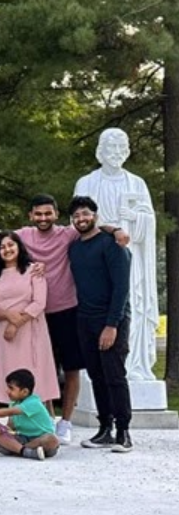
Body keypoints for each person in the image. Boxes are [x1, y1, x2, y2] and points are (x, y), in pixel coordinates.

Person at [17, 193, 128, 444]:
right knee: (45, 369)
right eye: (38, 214)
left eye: (48, 213)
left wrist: (117, 229)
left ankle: (72, 424)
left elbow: (97, 228)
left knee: (77, 370)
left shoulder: (72, 234)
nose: (43, 218)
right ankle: (49, 421)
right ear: (31, 216)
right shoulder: (27, 236)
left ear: (56, 215)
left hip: (72, 312)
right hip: (41, 313)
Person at [75, 128, 157, 383]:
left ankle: (133, 365)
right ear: (100, 151)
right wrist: (113, 228)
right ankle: (99, 365)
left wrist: (135, 218)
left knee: (130, 305)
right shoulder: (86, 183)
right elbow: (78, 221)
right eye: (111, 148)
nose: (116, 153)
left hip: (128, 257)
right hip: (95, 261)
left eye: (122, 148)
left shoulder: (137, 183)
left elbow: (149, 221)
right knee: (99, 306)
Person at [68, 196, 133, 452]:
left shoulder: (112, 244)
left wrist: (112, 324)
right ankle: (105, 428)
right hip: (85, 319)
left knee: (115, 375)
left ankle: (124, 431)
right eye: (76, 216)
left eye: (85, 214)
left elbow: (121, 288)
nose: (81, 219)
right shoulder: (74, 247)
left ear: (95, 215)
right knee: (96, 376)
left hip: (112, 320)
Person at [0, 231, 59, 406]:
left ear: (19, 246)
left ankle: (45, 424)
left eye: (11, 245)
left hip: (31, 330)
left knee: (37, 378)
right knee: (11, 380)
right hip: (5, 337)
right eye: (2, 247)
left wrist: (16, 324)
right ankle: (14, 422)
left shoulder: (33, 271)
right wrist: (6, 316)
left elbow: (39, 303)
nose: (7, 249)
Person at [0, 369, 60, 461]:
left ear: (25, 392)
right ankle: (26, 452)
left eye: (11, 388)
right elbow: (10, 428)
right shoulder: (13, 403)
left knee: (52, 440)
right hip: (23, 438)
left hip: (40, 439)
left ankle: (15, 449)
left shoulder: (33, 402)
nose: (7, 391)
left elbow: (8, 412)